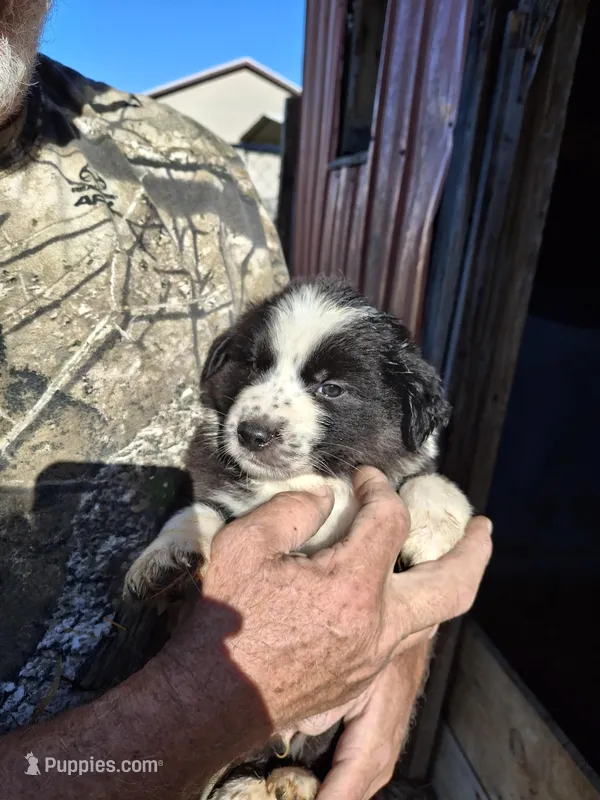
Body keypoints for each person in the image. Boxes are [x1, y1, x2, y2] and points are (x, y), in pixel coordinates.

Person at [0, 2, 493, 798]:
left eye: (323, 384)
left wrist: (398, 649)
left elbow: (391, 518)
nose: (259, 411)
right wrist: (192, 718)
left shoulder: (196, 173)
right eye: (257, 369)